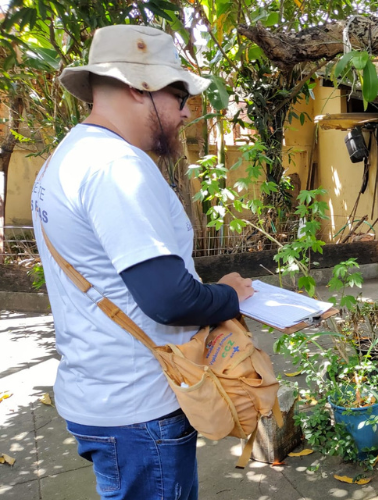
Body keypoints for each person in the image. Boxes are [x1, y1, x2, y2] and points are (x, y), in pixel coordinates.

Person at [30, 25, 255, 500]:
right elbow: (170, 299)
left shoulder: (67, 156)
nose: (187, 112)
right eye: (179, 97)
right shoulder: (117, 168)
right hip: (140, 408)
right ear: (140, 87)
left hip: (101, 395)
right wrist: (230, 296)